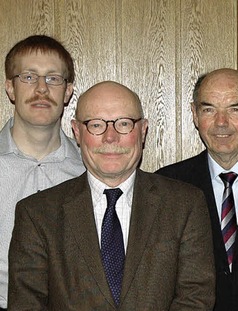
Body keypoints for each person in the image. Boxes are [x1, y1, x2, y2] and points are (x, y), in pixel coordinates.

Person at [8, 81, 216, 309]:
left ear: (143, 130)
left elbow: (195, 298)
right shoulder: (37, 214)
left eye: (124, 124)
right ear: (77, 131)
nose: (110, 137)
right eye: (96, 125)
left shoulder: (185, 204)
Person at [156, 68, 238, 310]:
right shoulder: (167, 186)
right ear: (194, 115)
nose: (221, 123)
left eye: (234, 108)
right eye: (209, 109)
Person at [0, 35, 86, 311]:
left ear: (68, 90)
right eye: (28, 77)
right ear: (10, 88)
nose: (41, 89)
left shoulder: (90, 171)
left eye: (52, 79)